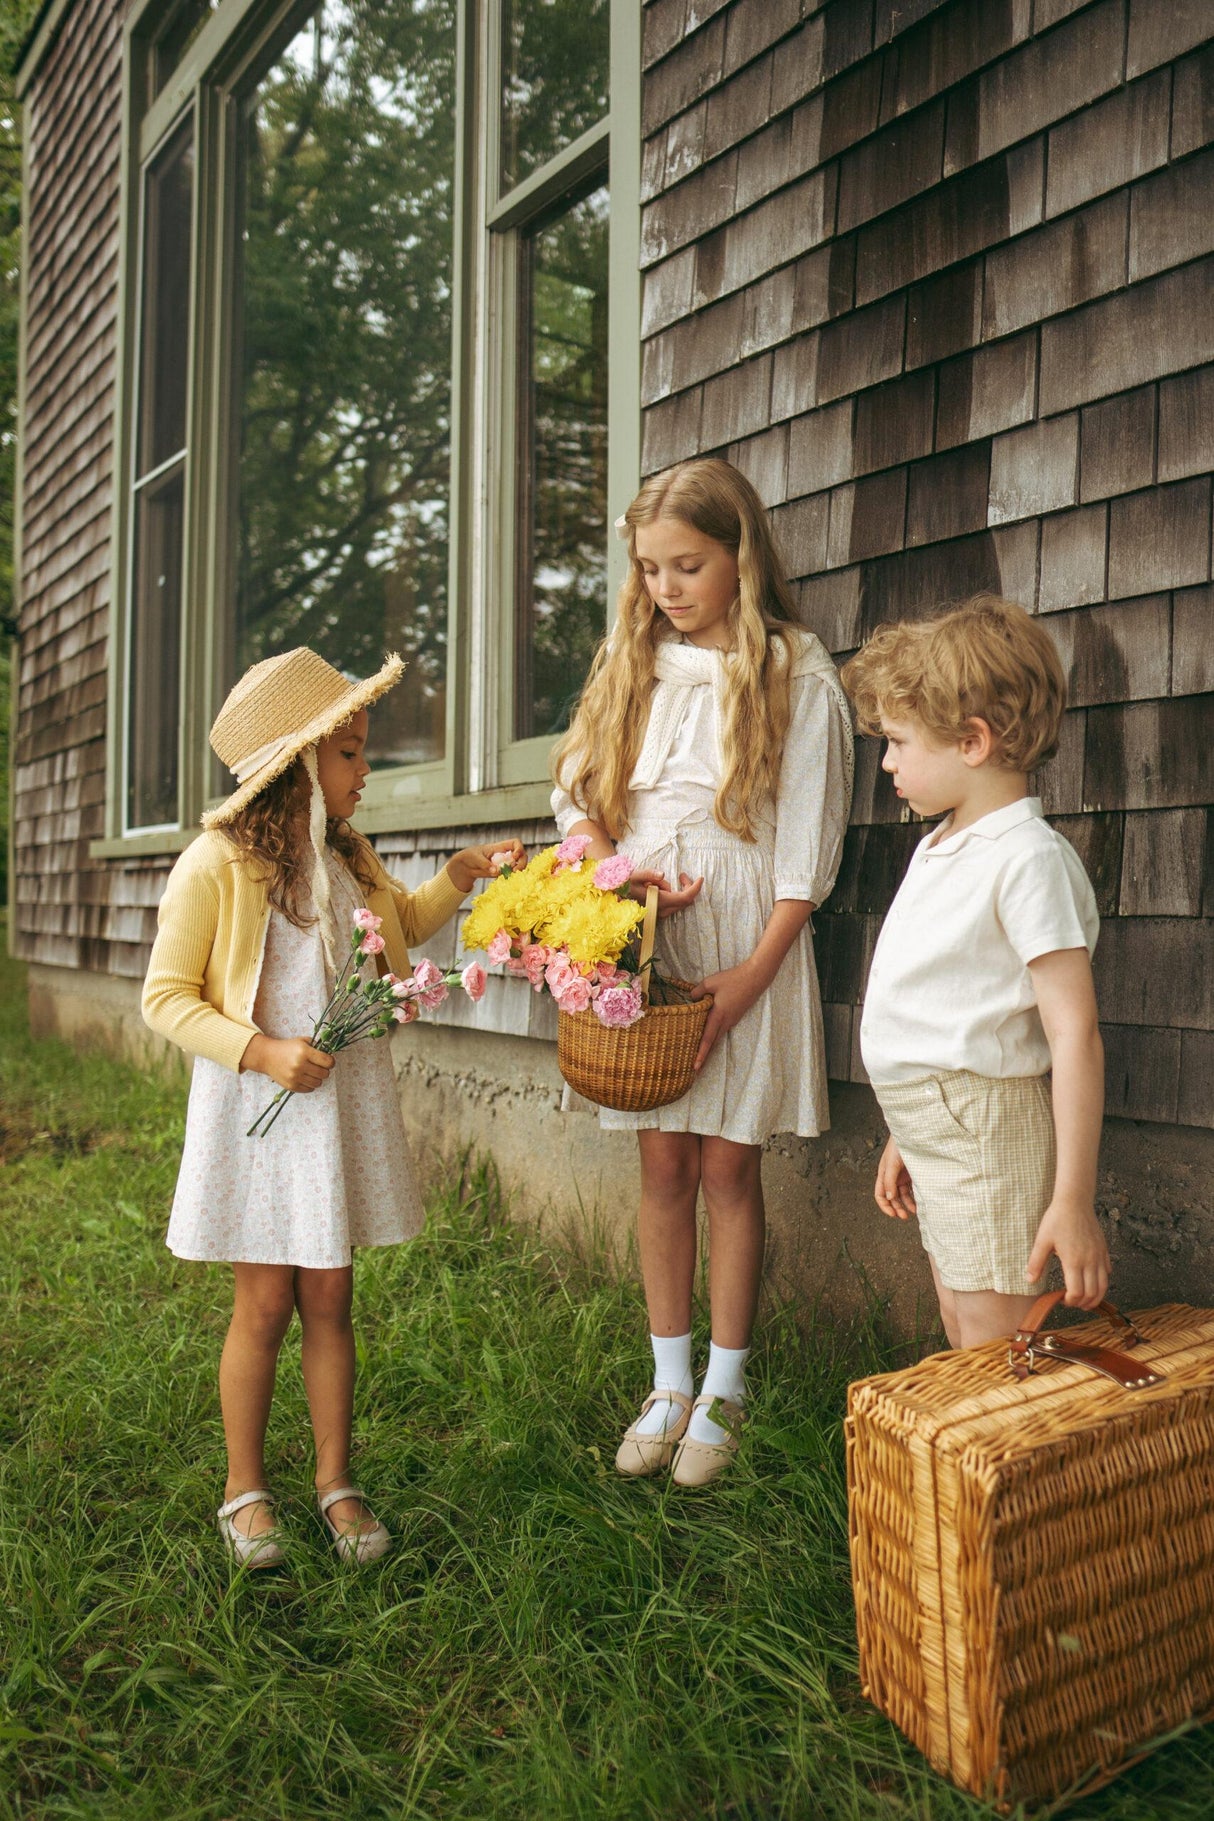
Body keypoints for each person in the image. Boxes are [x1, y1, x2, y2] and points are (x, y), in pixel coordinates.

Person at [143, 648, 524, 1568]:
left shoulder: (348, 858)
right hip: (259, 1107)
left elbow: (397, 928)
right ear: (299, 764)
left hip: (336, 1104)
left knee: (331, 1293)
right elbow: (165, 996)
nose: (366, 770)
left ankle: (335, 1479)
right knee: (265, 1300)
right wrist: (263, 1049)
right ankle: (244, 1488)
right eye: (350, 753)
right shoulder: (218, 864)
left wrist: (461, 876)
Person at [551, 458, 854, 1487]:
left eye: (686, 565)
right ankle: (667, 1378)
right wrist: (611, 870)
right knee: (661, 1164)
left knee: (727, 1165)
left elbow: (804, 854)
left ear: (740, 557)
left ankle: (724, 1383)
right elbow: (577, 796)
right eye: (646, 569)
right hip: (650, 936)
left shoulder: (793, 672)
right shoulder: (630, 660)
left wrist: (749, 975)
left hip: (743, 942)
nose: (663, 589)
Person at [840, 596, 1110, 1350]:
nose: (887, 761)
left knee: (996, 1347)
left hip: (988, 1137)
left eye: (896, 742)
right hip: (942, 1132)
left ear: (973, 740)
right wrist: (908, 1132)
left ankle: (1023, 1469)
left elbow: (1074, 1033)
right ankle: (971, 1468)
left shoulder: (1026, 859)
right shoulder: (942, 844)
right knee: (961, 1324)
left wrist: (1073, 1200)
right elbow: (946, 1005)